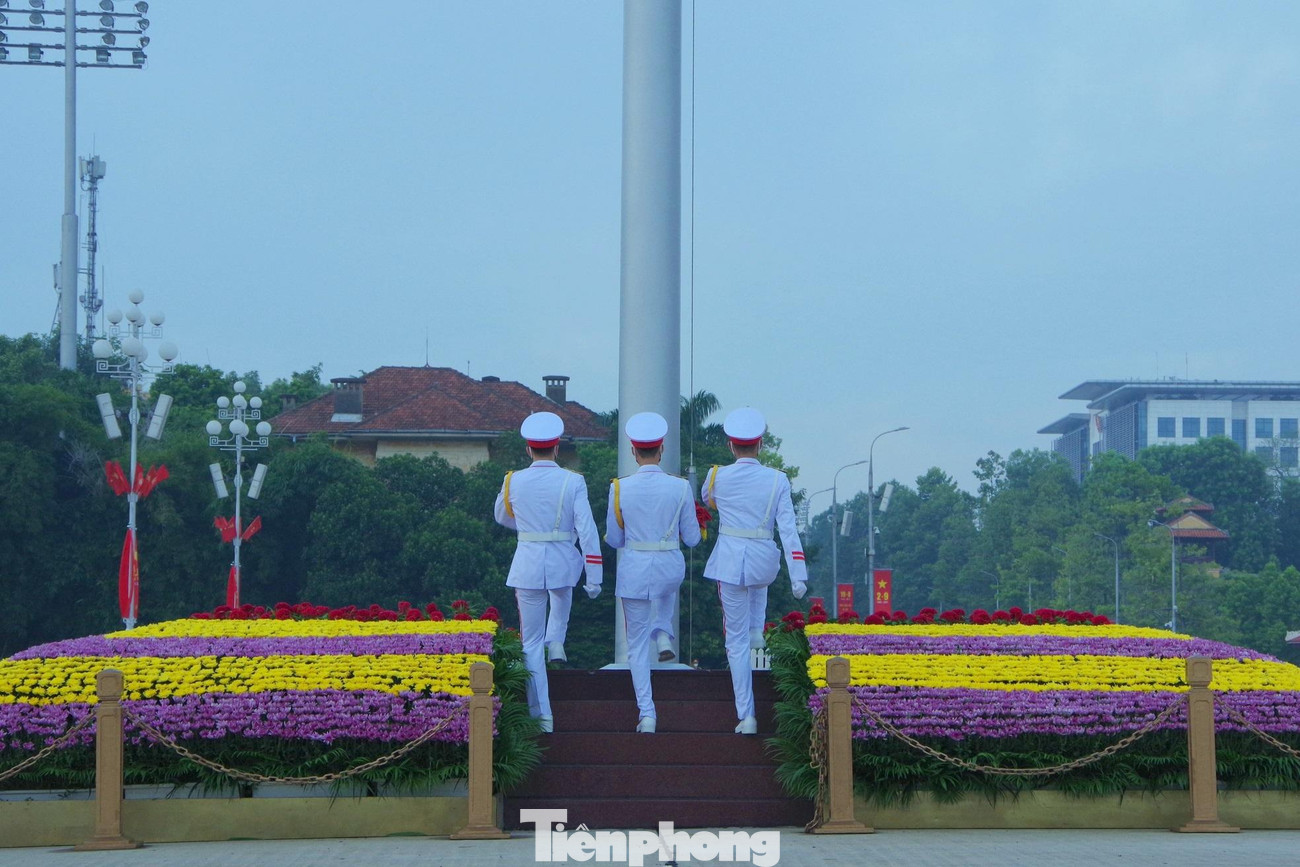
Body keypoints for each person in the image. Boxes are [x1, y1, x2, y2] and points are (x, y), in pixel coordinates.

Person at [494, 411, 603, 733]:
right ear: (557, 448)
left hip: (527, 560)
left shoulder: (513, 479)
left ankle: (542, 716)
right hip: (562, 558)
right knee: (561, 593)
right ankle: (557, 641)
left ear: (529, 449)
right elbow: (587, 529)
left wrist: (528, 528)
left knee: (530, 643)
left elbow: (501, 516)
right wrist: (594, 575)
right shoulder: (573, 480)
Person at [701, 407, 807, 735]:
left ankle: (746, 714)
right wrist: (798, 574)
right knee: (758, 585)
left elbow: (708, 501)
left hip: (731, 558)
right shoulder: (777, 480)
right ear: (760, 444)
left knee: (734, 641)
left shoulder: (716, 476)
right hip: (764, 558)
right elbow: (788, 529)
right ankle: (757, 629)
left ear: (732, 446)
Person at [604, 411, 702, 734]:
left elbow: (615, 539)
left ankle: (647, 713)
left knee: (635, 646)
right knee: (666, 582)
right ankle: (662, 632)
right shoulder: (680, 488)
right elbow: (692, 538)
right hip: (669, 566)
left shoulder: (619, 489)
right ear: (661, 451)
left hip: (634, 569)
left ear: (633, 452)